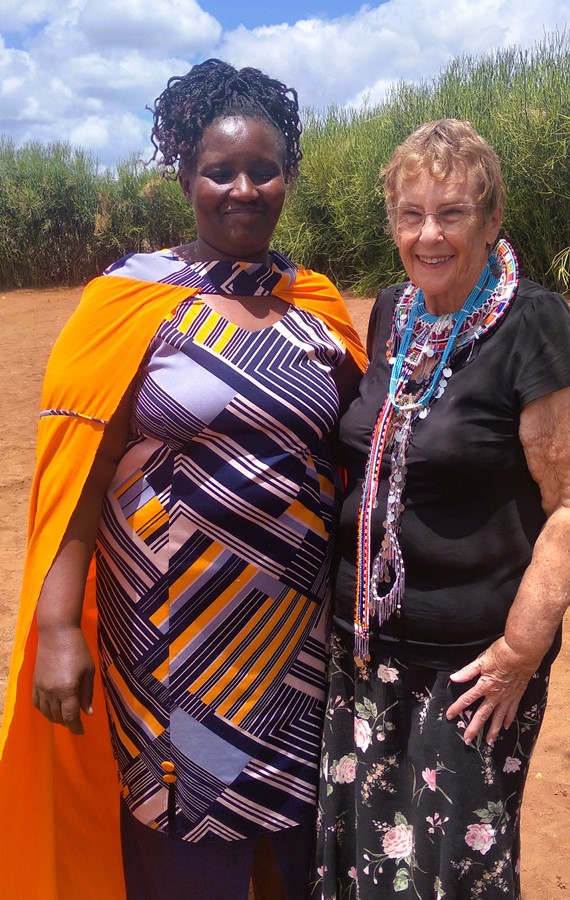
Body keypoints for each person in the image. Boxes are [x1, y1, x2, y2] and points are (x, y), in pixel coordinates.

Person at [0, 58, 366, 900]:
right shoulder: (129, 304)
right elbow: (81, 477)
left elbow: (361, 451)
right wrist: (58, 625)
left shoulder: (314, 305)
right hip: (171, 639)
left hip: (297, 643)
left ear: (288, 176)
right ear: (185, 177)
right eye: (219, 171)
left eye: (263, 169)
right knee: (181, 847)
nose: (243, 189)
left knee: (293, 843)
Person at [314, 118, 570, 899]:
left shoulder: (534, 323)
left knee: (454, 870)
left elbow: (568, 505)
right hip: (365, 647)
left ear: (491, 221)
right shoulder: (394, 310)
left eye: (452, 213)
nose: (429, 234)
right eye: (411, 213)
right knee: (370, 856)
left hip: (473, 665)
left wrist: (522, 649)